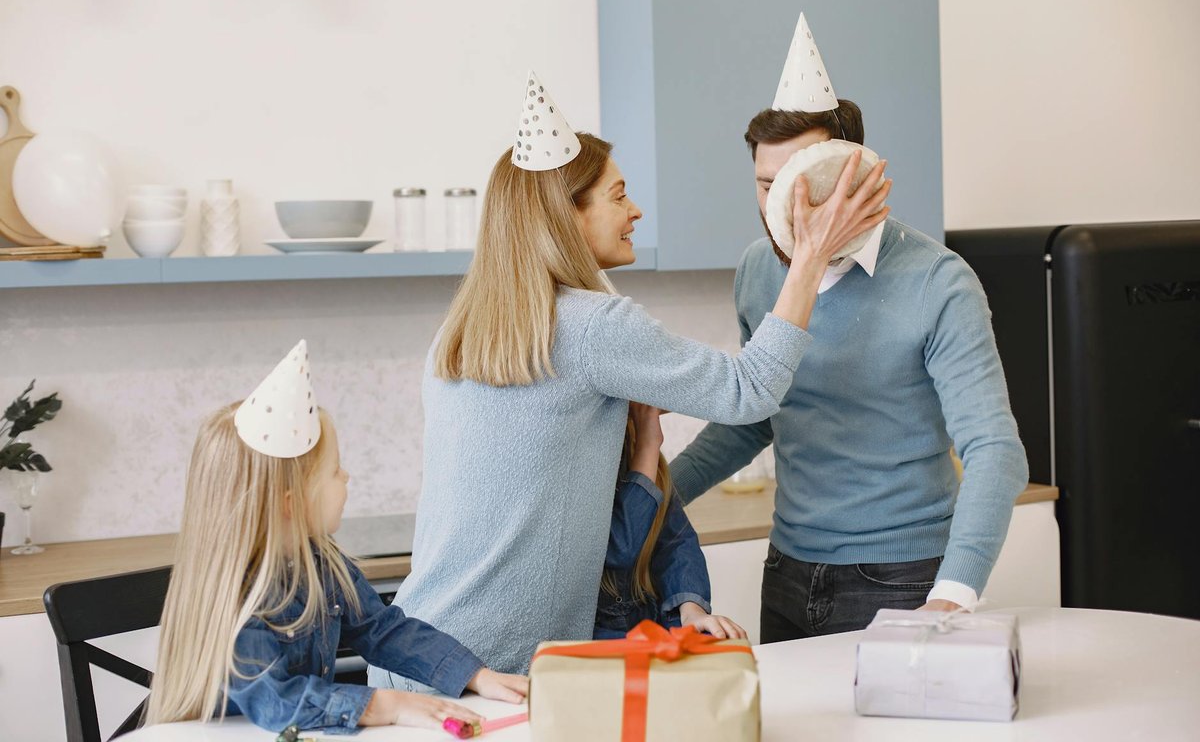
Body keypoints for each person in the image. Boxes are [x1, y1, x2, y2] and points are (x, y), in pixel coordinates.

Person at [367, 71, 889, 684]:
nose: (635, 210)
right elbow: (751, 391)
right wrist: (811, 253)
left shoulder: (461, 330)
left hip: (416, 652)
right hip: (494, 669)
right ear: (568, 215)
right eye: (617, 196)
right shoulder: (593, 326)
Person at [669, 95, 1030, 641]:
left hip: (903, 583)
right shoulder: (757, 271)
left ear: (854, 176)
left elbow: (995, 452)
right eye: (768, 186)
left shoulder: (938, 281)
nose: (785, 210)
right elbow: (756, 412)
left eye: (803, 184)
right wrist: (654, 499)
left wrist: (952, 597)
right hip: (787, 570)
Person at [146, 341, 527, 735]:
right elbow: (277, 702)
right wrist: (387, 704)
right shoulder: (237, 597)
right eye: (335, 470)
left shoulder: (322, 564)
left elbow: (383, 630)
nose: (346, 477)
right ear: (291, 503)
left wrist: (475, 675)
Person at [595, 403, 746, 640]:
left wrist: (691, 611)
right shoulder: (576, 472)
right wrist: (649, 441)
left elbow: (676, 544)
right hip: (594, 651)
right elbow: (619, 547)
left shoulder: (639, 459)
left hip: (650, 641)